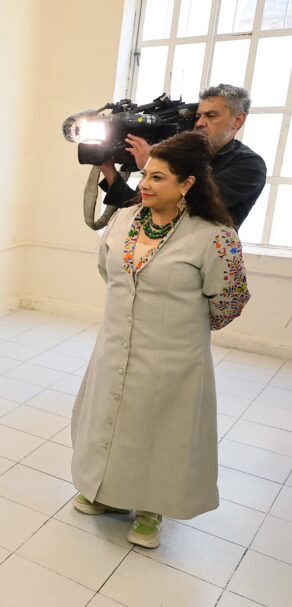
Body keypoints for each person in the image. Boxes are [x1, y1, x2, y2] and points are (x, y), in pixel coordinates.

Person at [71, 130, 251, 549]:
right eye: (145, 175)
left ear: (187, 184)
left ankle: (153, 507)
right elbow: (109, 270)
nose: (145, 185)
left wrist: (179, 324)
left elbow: (229, 300)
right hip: (116, 342)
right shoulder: (122, 219)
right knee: (110, 418)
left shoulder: (214, 236)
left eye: (158, 178)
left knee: (160, 428)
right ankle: (104, 489)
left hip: (174, 352)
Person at [98, 84, 267, 227]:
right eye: (199, 116)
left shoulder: (250, 165)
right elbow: (138, 210)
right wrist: (108, 169)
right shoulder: (183, 155)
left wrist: (155, 167)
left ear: (238, 120)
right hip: (151, 254)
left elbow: (193, 207)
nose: (200, 123)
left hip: (201, 260)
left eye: (211, 115)